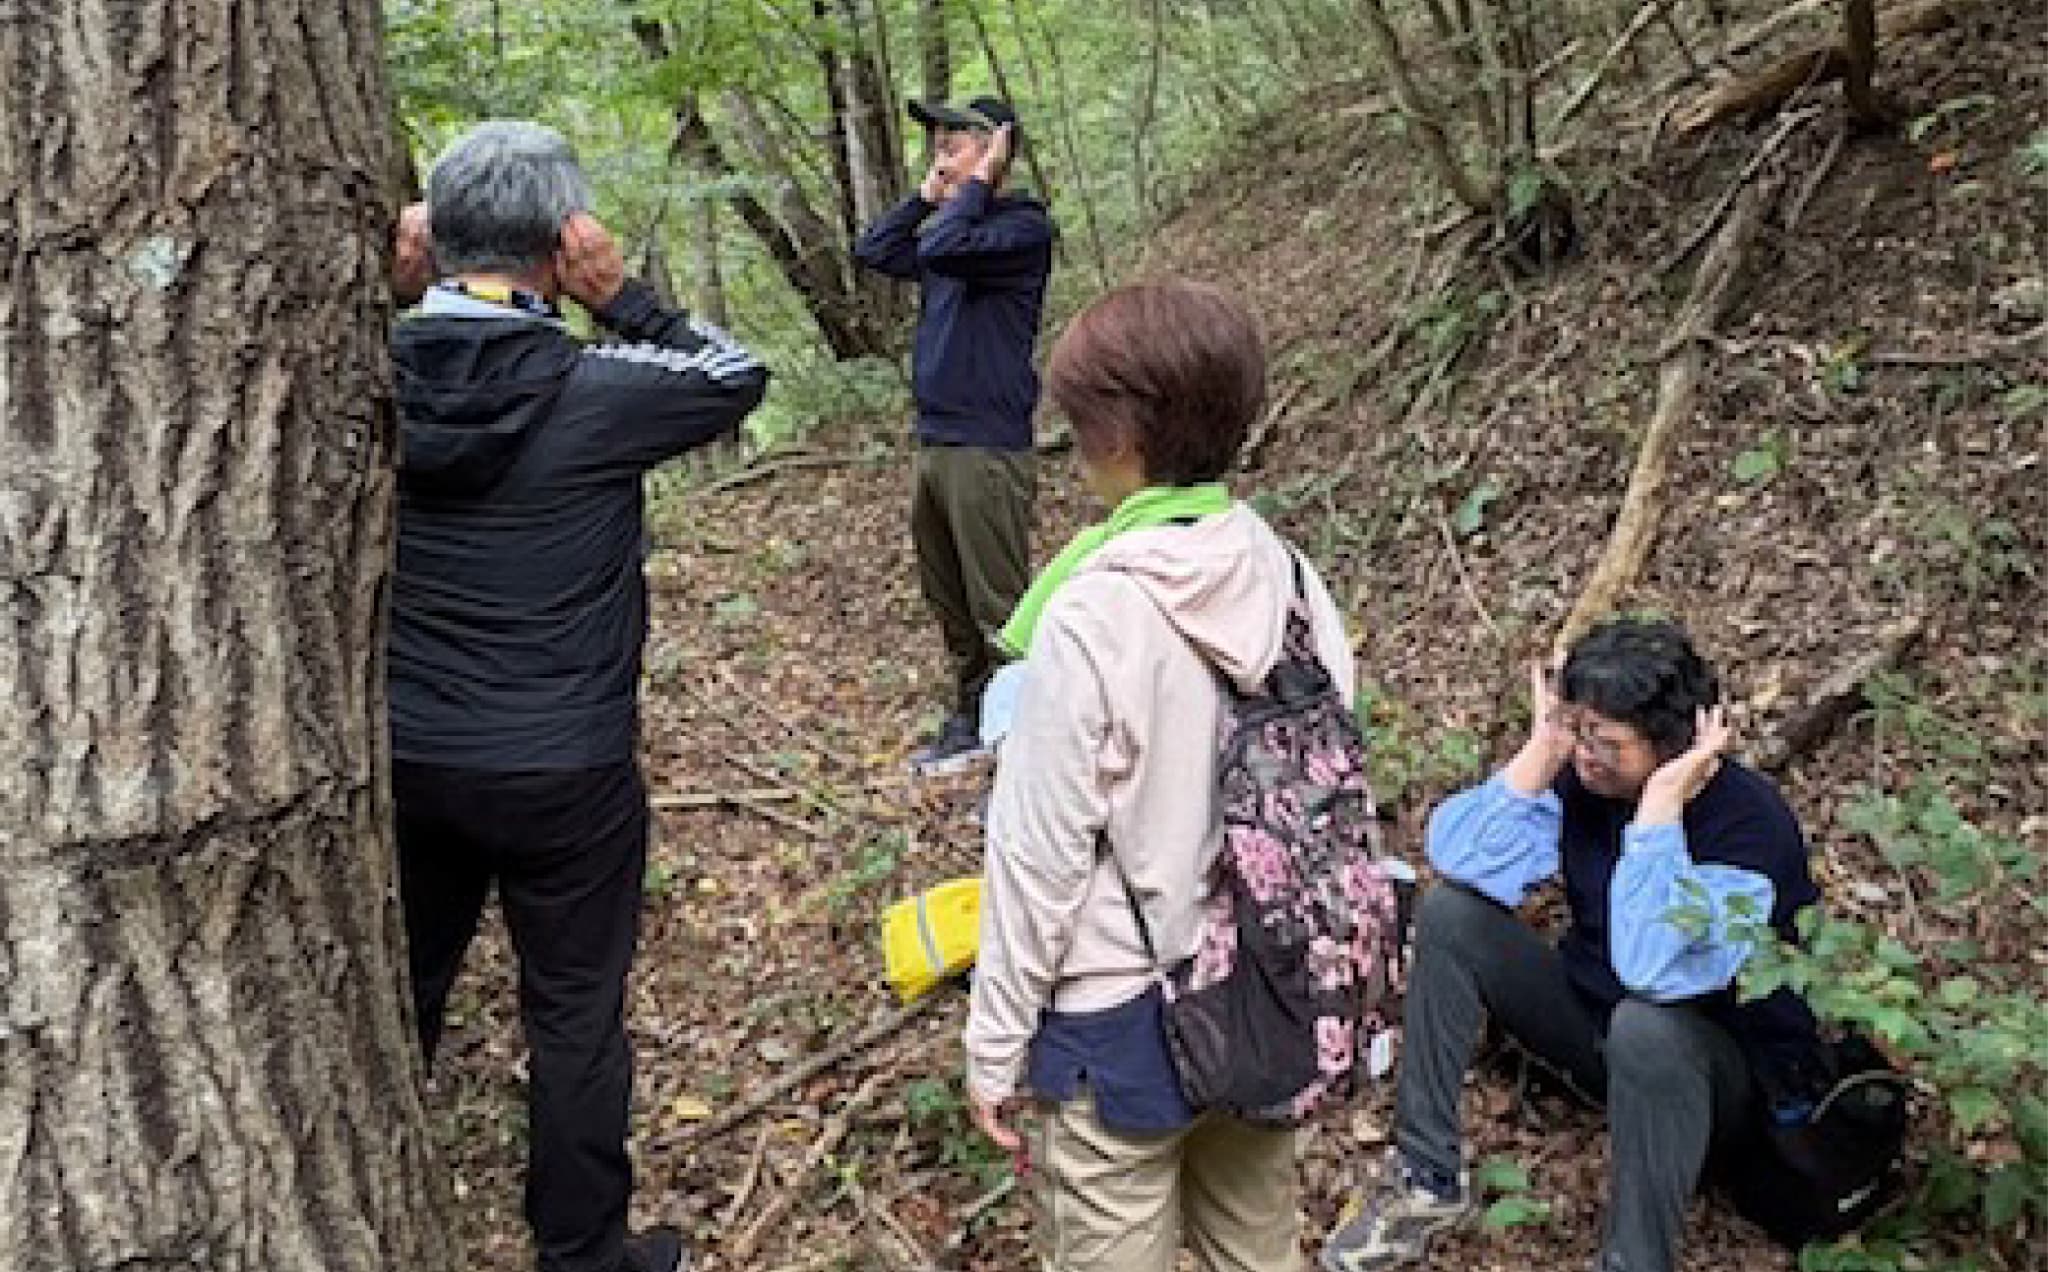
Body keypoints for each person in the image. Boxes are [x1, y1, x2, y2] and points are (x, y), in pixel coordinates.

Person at [387, 121, 768, 1272]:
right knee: (573, 1014)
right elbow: (734, 375)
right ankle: (584, 1255)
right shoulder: (599, 388)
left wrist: (385, 289)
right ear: (566, 243)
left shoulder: (363, 370)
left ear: (431, 240)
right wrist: (623, 296)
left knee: (399, 989)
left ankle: (374, 1205)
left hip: (406, 754)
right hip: (566, 766)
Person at [964, 281, 1351, 1272]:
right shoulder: (1297, 581)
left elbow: (1036, 859)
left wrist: (994, 1048)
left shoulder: (1092, 615)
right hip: (1268, 992)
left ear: (1116, 434)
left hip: (1115, 1022)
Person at [1321, 620, 1824, 1272]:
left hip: (1716, 1087)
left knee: (1647, 1025)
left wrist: (1660, 811)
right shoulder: (1585, 781)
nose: (1586, 755)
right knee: (1451, 914)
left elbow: (1650, 970)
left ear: (1673, 747)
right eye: (1577, 730)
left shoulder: (1750, 827)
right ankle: (1426, 1178)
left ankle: (1633, 1263)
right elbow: (1460, 856)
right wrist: (1545, 747)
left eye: (1606, 741)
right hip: (1600, 1030)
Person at [852, 95, 1056, 775]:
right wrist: (924, 196)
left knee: (1001, 607)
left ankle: (1030, 747)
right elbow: (876, 250)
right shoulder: (954, 230)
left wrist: (973, 187)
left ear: (997, 148)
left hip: (987, 447)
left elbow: (942, 245)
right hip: (938, 443)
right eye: (937, 140)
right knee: (950, 599)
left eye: (957, 140)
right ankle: (974, 720)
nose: (941, 150)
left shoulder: (1020, 228)